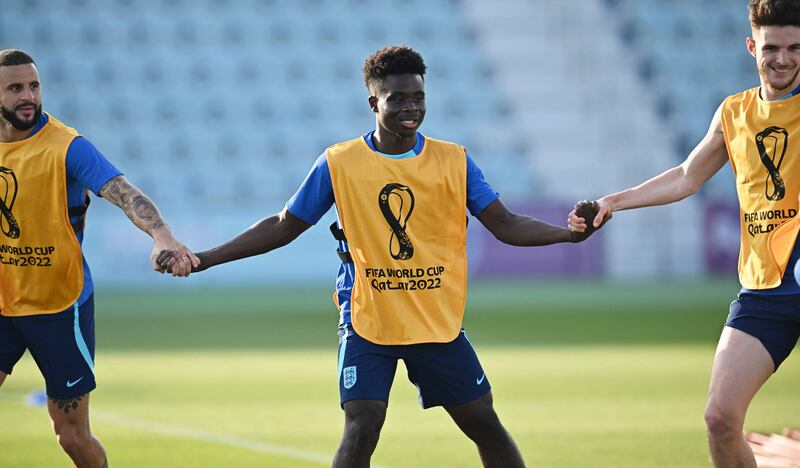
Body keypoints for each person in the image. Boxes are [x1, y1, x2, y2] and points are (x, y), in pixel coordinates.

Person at [159, 45, 597, 467]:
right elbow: (284, 224)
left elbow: (505, 223)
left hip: (434, 319)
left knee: (483, 421)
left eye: (419, 97)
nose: (411, 107)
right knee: (363, 423)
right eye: (398, 98)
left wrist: (568, 235)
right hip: (369, 317)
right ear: (373, 100)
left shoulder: (454, 161)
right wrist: (204, 258)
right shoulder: (339, 162)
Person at [568, 1, 800, 466]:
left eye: (795, 48)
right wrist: (613, 201)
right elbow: (685, 177)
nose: (783, 59)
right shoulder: (734, 113)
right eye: (772, 47)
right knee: (720, 420)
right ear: (752, 46)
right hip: (763, 289)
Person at [0, 49, 199, 468]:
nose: (28, 96)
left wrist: (161, 235)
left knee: (70, 436)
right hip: (2, 302)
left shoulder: (66, 146)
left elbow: (124, 192)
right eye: (15, 87)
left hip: (58, 306)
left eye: (33, 86)